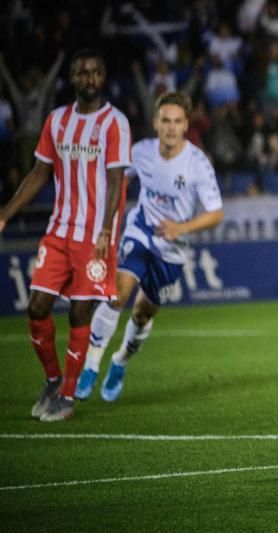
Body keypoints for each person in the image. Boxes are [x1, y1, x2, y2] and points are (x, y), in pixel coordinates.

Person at [0, 49, 131, 422]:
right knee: (36, 306)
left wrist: (107, 230)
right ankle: (54, 379)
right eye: (81, 72)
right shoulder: (57, 121)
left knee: (79, 310)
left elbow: (116, 179)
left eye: (95, 72)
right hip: (58, 231)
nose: (88, 78)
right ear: (72, 77)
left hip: (94, 236)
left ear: (103, 77)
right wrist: (6, 214)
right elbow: (39, 173)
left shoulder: (114, 123)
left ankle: (67, 396)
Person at [74, 91, 224, 402]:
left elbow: (216, 213)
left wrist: (182, 227)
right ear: (156, 123)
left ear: (186, 125)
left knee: (142, 314)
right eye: (165, 120)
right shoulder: (140, 151)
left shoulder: (197, 163)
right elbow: (114, 178)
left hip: (173, 248)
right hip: (141, 230)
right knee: (118, 292)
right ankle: (89, 365)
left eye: (177, 121)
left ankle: (119, 362)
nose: (170, 127)